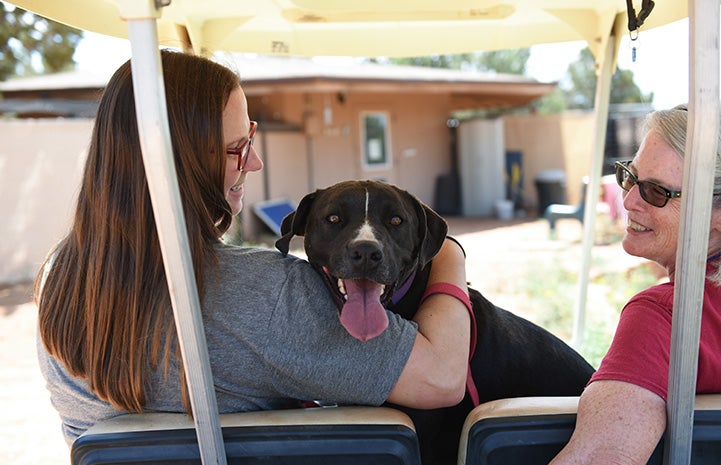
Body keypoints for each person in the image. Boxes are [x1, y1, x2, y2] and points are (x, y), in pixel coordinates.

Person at [35, 50, 471, 445]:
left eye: (252, 138)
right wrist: (448, 252)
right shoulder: (263, 293)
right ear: (182, 163)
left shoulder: (60, 279)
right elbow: (441, 378)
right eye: (237, 149)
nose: (255, 162)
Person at [550, 104, 721, 464]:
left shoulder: (666, 316)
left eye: (656, 192)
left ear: (715, 219)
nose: (629, 201)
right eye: (630, 176)